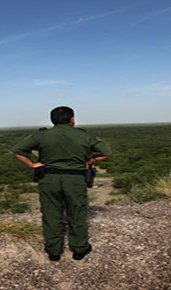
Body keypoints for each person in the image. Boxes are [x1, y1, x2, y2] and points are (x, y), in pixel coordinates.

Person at [11, 106, 111, 261]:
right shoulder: (84, 135)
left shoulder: (42, 135)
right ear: (72, 119)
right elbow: (106, 152)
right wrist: (89, 160)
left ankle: (54, 252)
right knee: (77, 213)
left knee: (51, 214)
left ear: (52, 120)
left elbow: (18, 150)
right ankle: (79, 249)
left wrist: (31, 164)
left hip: (49, 179)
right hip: (75, 180)